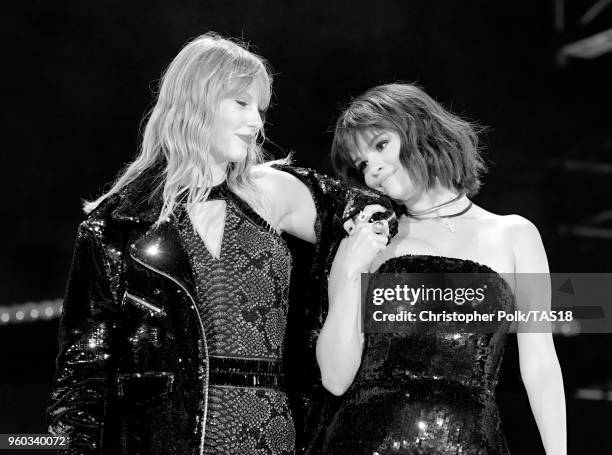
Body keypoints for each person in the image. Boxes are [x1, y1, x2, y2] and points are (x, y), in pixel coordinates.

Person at [46, 33, 393, 455]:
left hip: (271, 436)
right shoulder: (117, 225)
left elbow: (367, 210)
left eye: (260, 109)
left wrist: (357, 260)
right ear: (197, 101)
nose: (257, 124)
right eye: (241, 104)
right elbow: (83, 376)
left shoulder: (272, 193)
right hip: (160, 439)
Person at [316, 83, 566, 454]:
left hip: (471, 442)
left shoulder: (515, 234)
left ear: (418, 129)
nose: (374, 171)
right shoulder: (368, 243)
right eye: (363, 165)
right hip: (363, 441)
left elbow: (541, 366)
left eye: (381, 145)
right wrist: (352, 267)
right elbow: (336, 379)